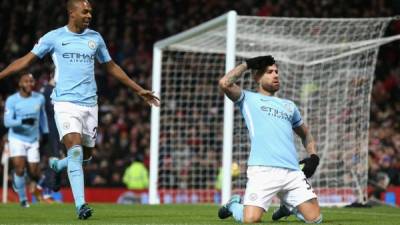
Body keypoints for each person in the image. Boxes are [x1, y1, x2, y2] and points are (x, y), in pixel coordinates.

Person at [0, 0, 159, 219]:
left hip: (90, 104)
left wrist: (138, 89)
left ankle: (57, 165)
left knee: (85, 157)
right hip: (65, 103)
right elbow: (25, 60)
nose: (89, 15)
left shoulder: (95, 39)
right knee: (74, 150)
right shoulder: (54, 37)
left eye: (90, 12)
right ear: (71, 13)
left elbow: (111, 66)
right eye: (84, 11)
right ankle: (81, 206)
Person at [217, 56, 322, 223]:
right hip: (263, 170)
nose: (275, 75)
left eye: (277, 72)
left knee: (315, 219)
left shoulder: (289, 105)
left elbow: (305, 134)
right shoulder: (247, 98)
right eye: (269, 72)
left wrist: (314, 157)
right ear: (257, 77)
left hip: (292, 171)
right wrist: (247, 64)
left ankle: (287, 207)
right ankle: (234, 205)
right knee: (251, 220)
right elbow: (224, 83)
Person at [3, 73, 49, 207]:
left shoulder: (39, 98)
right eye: (26, 81)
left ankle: (23, 182)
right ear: (20, 84)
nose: (29, 84)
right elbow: (7, 122)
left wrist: (45, 132)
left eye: (31, 81)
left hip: (33, 139)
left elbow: (43, 116)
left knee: (34, 172)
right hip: (16, 138)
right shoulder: (12, 100)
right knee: (20, 168)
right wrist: (22, 121)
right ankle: (23, 200)